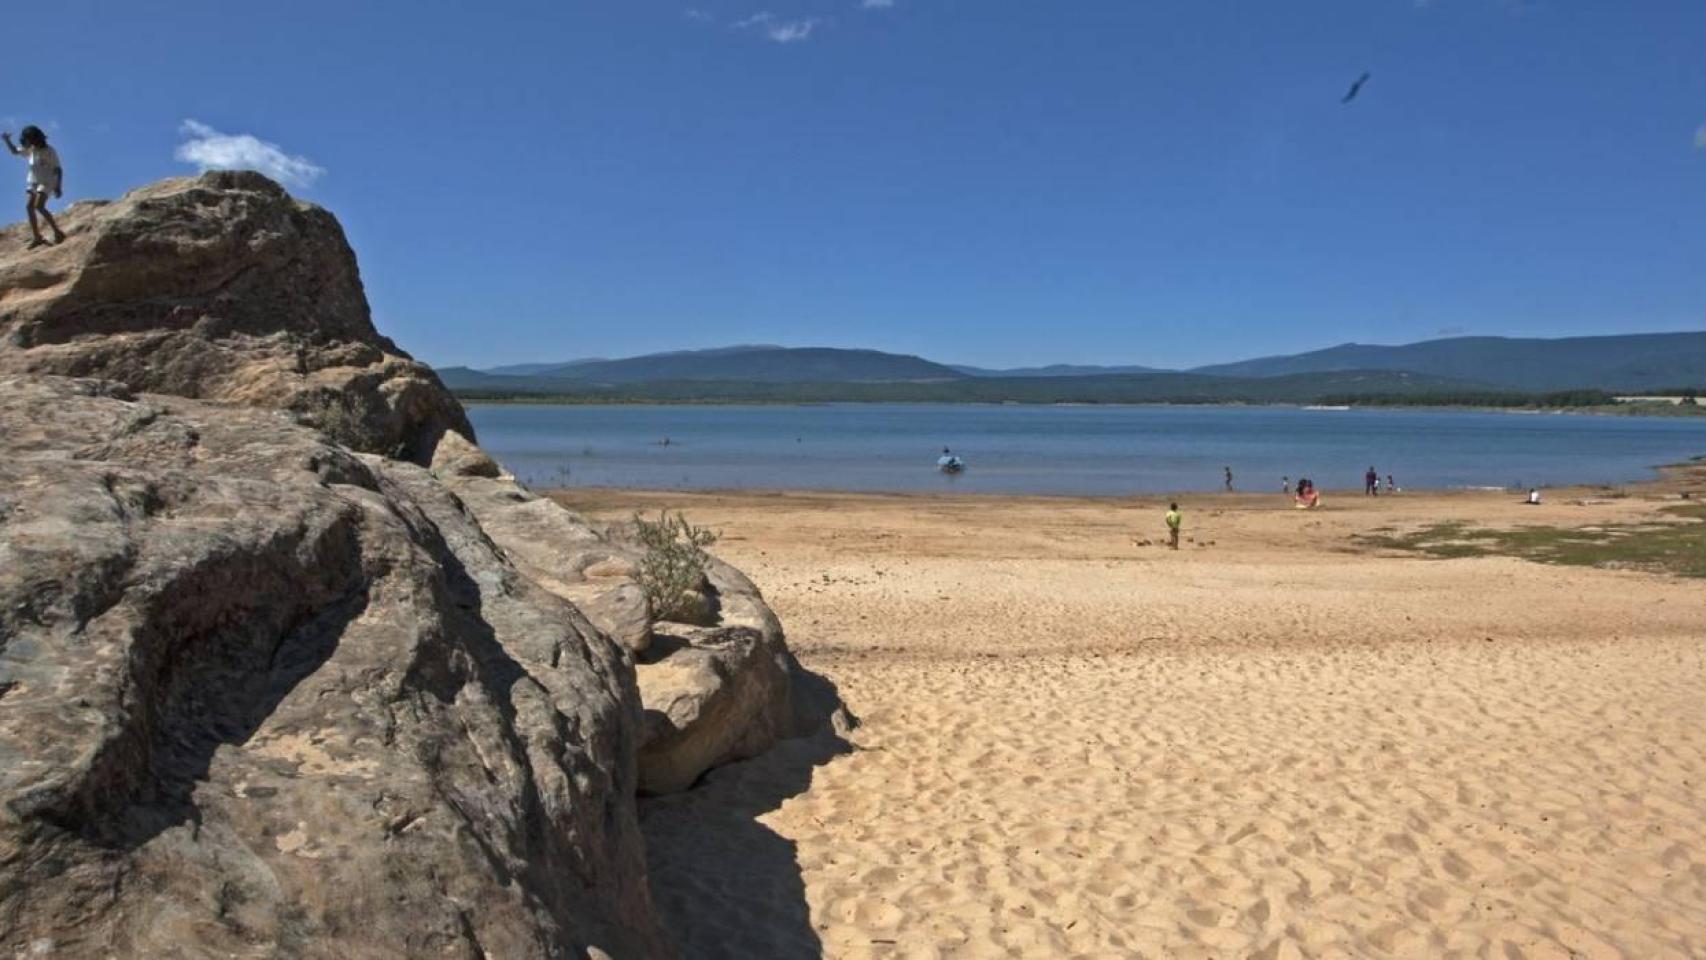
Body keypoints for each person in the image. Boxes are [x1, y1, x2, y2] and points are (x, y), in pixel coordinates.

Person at [4, 126, 65, 248]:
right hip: (34, 182)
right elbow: (15, 151)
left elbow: (58, 169)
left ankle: (57, 232)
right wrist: (6, 140)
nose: (24, 142)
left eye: (26, 139)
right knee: (29, 207)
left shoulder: (49, 151)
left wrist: (58, 186)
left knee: (39, 206)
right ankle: (37, 237)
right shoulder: (31, 150)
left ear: (33, 139)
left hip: (46, 182)